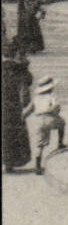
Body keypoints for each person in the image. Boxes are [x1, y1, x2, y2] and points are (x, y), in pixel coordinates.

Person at [2, 39, 33, 172]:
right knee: (12, 134)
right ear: (16, 54)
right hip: (13, 106)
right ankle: (10, 163)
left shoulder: (5, 67)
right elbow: (26, 88)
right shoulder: (20, 70)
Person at [26, 74, 65, 175]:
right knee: (62, 123)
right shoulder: (52, 96)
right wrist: (53, 111)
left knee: (39, 143)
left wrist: (22, 117)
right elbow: (56, 107)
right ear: (51, 88)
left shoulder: (36, 98)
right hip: (49, 118)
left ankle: (37, 166)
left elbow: (28, 110)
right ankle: (60, 143)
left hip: (39, 120)